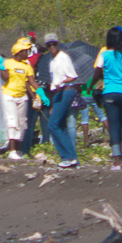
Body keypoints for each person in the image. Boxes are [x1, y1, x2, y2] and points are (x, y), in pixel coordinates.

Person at [87, 27, 122, 170]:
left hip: (110, 94)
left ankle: (117, 160)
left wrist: (91, 87)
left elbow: (96, 73)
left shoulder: (104, 55)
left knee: (114, 126)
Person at [42, 34, 81, 167]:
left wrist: (61, 82)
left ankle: (67, 157)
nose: (51, 47)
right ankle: (74, 159)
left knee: (52, 125)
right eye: (49, 45)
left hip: (66, 90)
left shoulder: (63, 57)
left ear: (57, 44)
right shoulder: (52, 61)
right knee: (61, 126)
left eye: (53, 44)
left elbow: (72, 76)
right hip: (58, 93)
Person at [0, 37, 35, 160]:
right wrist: (2, 67)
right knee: (12, 121)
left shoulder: (27, 66)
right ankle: (11, 150)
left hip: (22, 97)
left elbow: (31, 82)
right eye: (26, 51)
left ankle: (18, 150)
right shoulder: (8, 63)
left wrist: (38, 95)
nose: (28, 54)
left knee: (21, 122)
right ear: (19, 52)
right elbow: (5, 78)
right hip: (9, 96)